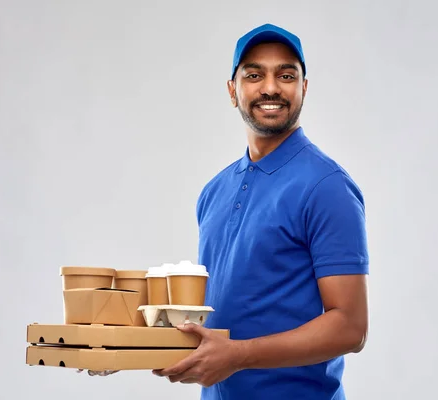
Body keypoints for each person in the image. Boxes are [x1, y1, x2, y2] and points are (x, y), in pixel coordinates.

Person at [152, 23, 370, 400]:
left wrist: (239, 356)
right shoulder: (214, 191)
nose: (270, 87)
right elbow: (222, 318)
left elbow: (351, 328)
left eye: (286, 75)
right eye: (254, 75)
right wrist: (120, 347)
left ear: (304, 87)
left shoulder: (327, 186)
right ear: (232, 90)